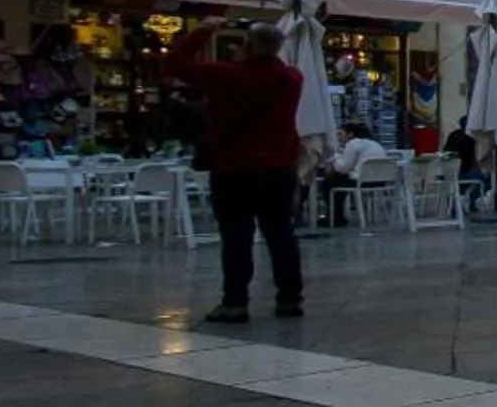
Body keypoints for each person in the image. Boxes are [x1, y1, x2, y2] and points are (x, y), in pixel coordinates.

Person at [166, 18, 305, 324]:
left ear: (245, 46)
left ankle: (235, 301)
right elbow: (276, 62)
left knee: (236, 237)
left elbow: (175, 62)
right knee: (281, 234)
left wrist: (204, 30)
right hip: (278, 168)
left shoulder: (225, 75)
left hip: (234, 169)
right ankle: (290, 298)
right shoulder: (292, 79)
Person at [321, 122, 389, 226]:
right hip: (380, 182)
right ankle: (337, 216)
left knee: (328, 183)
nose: (340, 137)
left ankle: (335, 217)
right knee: (338, 180)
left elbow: (343, 168)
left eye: (341, 134)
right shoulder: (375, 144)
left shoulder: (353, 143)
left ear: (350, 134)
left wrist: (336, 157)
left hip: (362, 182)